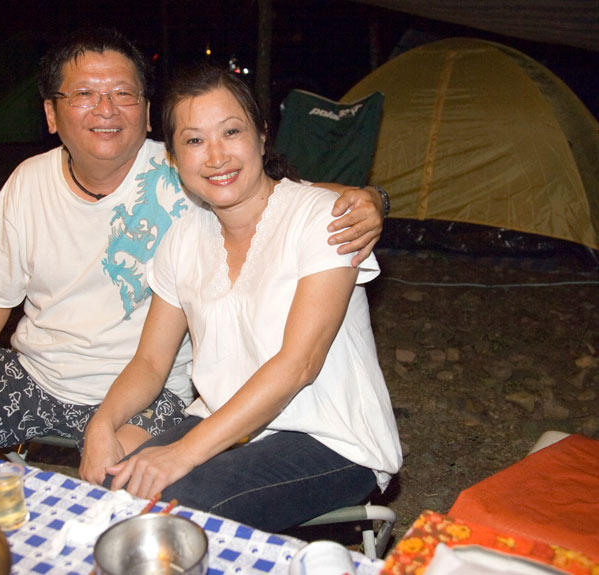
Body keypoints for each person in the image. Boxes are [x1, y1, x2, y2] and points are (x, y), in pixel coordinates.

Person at [0, 28, 387, 456]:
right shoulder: (27, 182)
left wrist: (373, 200)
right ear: (51, 114)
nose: (106, 109)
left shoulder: (190, 168)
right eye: (85, 94)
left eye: (123, 94)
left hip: (150, 390)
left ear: (149, 113)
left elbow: (282, 194)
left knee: (123, 489)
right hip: (37, 374)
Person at [79, 64, 401, 533]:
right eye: (194, 140)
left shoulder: (322, 220)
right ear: (173, 159)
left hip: (329, 437)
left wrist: (182, 453)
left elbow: (299, 364)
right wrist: (102, 425)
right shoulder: (183, 239)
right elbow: (150, 362)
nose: (216, 156)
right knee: (117, 493)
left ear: (262, 136)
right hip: (225, 421)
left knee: (177, 512)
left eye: (231, 132)